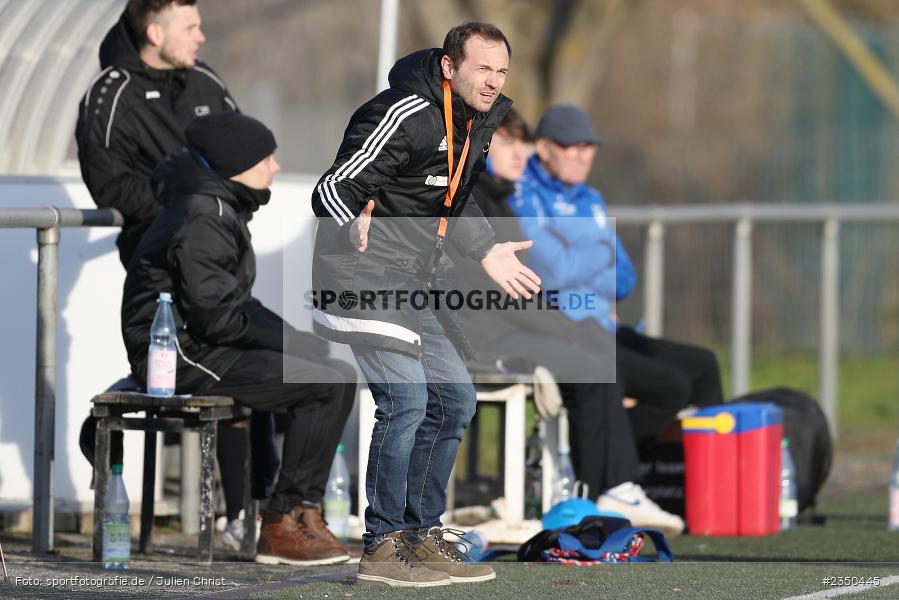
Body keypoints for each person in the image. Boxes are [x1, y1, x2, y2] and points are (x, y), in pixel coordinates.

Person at [311, 22, 539, 586]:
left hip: (414, 284)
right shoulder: (404, 112)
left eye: (501, 71)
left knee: (456, 399)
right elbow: (331, 189)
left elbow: (450, 204)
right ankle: (382, 548)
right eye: (482, 68)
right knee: (407, 401)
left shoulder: (474, 123)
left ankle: (419, 537)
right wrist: (352, 215)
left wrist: (488, 252)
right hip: (360, 278)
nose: (493, 81)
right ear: (448, 66)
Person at [122, 112, 357, 565]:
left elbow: (234, 305)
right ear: (235, 165)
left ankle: (305, 515)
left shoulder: (217, 207)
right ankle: (281, 523)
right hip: (177, 353)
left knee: (339, 375)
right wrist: (291, 346)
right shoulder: (202, 217)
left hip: (202, 344)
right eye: (266, 157)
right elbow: (217, 319)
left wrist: (294, 339)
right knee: (325, 384)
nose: (275, 167)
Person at [74, 0, 266, 550]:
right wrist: (187, 209)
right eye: (191, 26)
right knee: (222, 367)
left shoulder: (205, 80)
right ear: (155, 32)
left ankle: (248, 519)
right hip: (159, 266)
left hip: (223, 251)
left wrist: (220, 212)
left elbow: (244, 156)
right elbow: (111, 189)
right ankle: (114, 425)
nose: (202, 37)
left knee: (262, 369)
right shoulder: (110, 95)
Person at [453, 108, 683, 535]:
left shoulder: (499, 198)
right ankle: (594, 500)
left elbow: (607, 278)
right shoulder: (472, 200)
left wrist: (565, 323)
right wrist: (566, 326)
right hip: (482, 336)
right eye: (506, 142)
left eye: (523, 142)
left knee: (626, 364)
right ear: (479, 146)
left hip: (510, 325)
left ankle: (605, 492)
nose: (520, 153)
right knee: (593, 364)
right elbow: (503, 292)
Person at [513, 104, 724, 445]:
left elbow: (624, 278)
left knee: (703, 365)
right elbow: (552, 272)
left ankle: (703, 482)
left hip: (605, 326)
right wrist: (600, 254)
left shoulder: (591, 200)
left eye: (589, 147)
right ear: (544, 147)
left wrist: (575, 259)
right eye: (572, 147)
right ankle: (617, 470)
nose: (583, 156)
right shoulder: (524, 193)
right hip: (566, 330)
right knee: (668, 386)